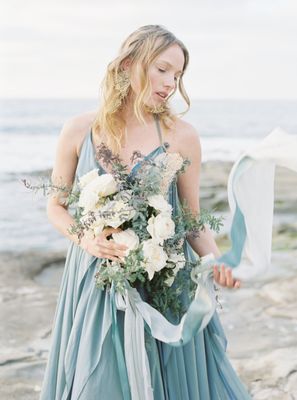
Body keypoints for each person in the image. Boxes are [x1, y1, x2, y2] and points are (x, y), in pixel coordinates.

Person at [41, 24, 251, 399]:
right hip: (97, 280)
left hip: (167, 282)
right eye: (162, 68)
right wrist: (86, 239)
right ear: (127, 64)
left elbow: (191, 222)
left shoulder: (182, 135)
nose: (171, 82)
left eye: (178, 75)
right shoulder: (77, 130)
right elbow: (56, 206)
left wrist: (220, 262)